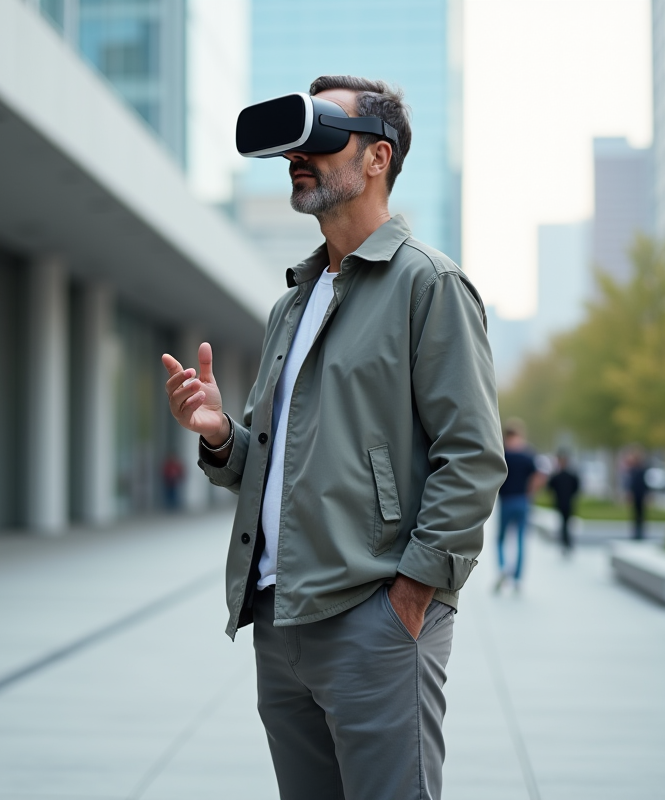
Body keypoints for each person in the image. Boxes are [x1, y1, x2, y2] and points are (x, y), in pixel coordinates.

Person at [161, 76, 505, 800]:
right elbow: (276, 465)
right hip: (280, 620)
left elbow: (471, 457)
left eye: (322, 137)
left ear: (378, 158)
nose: (299, 156)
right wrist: (222, 433)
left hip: (374, 617)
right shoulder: (294, 300)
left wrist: (411, 596)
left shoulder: (430, 287)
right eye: (295, 143)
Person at [495, 419, 545, 590]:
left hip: (506, 500)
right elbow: (540, 475)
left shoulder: (502, 452)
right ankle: (517, 577)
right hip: (523, 500)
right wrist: (530, 490)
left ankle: (503, 568)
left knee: (501, 538)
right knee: (521, 539)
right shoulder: (528, 454)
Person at [547, 449, 581, 555]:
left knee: (564, 524)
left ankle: (566, 542)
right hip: (568, 502)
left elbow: (549, 488)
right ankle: (567, 542)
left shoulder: (557, 476)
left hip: (562, 503)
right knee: (566, 523)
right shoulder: (571, 475)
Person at [626, 447, 651, 540]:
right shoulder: (632, 470)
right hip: (636, 494)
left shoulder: (643, 470)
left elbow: (646, 483)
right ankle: (636, 532)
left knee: (642, 514)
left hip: (641, 494)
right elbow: (631, 484)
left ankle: (641, 532)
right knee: (635, 514)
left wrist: (647, 494)